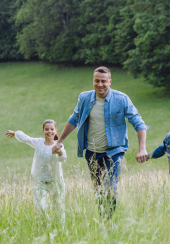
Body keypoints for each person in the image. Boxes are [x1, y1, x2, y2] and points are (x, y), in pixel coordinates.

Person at [52, 66, 149, 219]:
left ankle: (109, 221)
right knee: (99, 191)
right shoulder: (85, 98)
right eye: (97, 81)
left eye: (103, 81)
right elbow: (74, 119)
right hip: (92, 152)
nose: (100, 84)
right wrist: (60, 141)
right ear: (93, 81)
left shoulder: (121, 99)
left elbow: (139, 123)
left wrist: (142, 148)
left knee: (111, 188)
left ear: (110, 82)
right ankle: (104, 220)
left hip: (114, 151)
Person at [5, 119, 67, 225]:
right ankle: (47, 224)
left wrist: (59, 152)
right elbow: (26, 139)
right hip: (41, 181)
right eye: (46, 129)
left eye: (52, 129)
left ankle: (60, 229)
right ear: (43, 131)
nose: (49, 131)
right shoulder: (38, 142)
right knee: (39, 205)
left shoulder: (58, 145)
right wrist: (15, 133)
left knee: (59, 208)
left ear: (56, 131)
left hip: (55, 180)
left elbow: (63, 158)